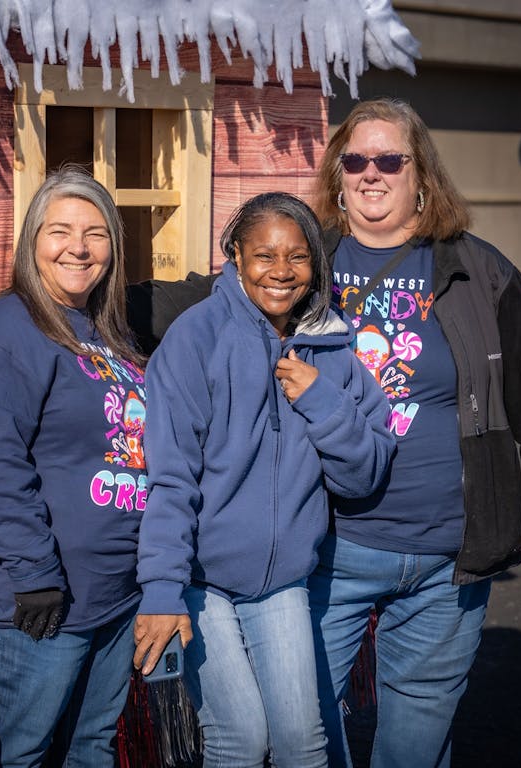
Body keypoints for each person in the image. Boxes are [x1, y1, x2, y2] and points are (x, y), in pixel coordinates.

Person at [307, 97, 521, 768]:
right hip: (325, 544)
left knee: (416, 740)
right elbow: (207, 307)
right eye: (356, 160)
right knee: (301, 724)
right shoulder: (304, 261)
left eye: (389, 159)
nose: (371, 173)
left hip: (446, 552)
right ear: (338, 174)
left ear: (421, 173)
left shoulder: (479, 271)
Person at [133, 192, 396, 768]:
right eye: (264, 255)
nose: (281, 272)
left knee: (304, 745)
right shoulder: (195, 338)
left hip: (283, 584)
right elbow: (171, 477)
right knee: (241, 740)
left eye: (297, 257)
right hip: (203, 581)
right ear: (234, 255)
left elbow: (363, 474)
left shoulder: (332, 349)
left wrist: (321, 399)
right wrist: (161, 587)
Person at [0, 166, 148, 767]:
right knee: (22, 755)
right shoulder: (6, 331)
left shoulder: (103, 330)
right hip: (43, 602)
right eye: (59, 230)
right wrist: (35, 576)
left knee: (89, 750)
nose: (78, 248)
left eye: (96, 233)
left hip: (115, 596)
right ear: (32, 241)